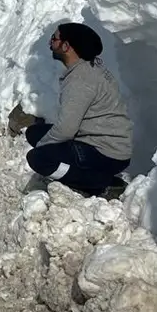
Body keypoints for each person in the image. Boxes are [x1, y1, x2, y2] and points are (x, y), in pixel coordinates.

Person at [24, 22, 132, 200]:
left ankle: (99, 183)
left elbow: (67, 128)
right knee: (34, 133)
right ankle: (84, 171)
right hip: (100, 140)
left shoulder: (80, 81)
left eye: (54, 39)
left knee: (39, 159)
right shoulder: (88, 67)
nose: (50, 43)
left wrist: (46, 147)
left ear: (66, 46)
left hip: (106, 152)